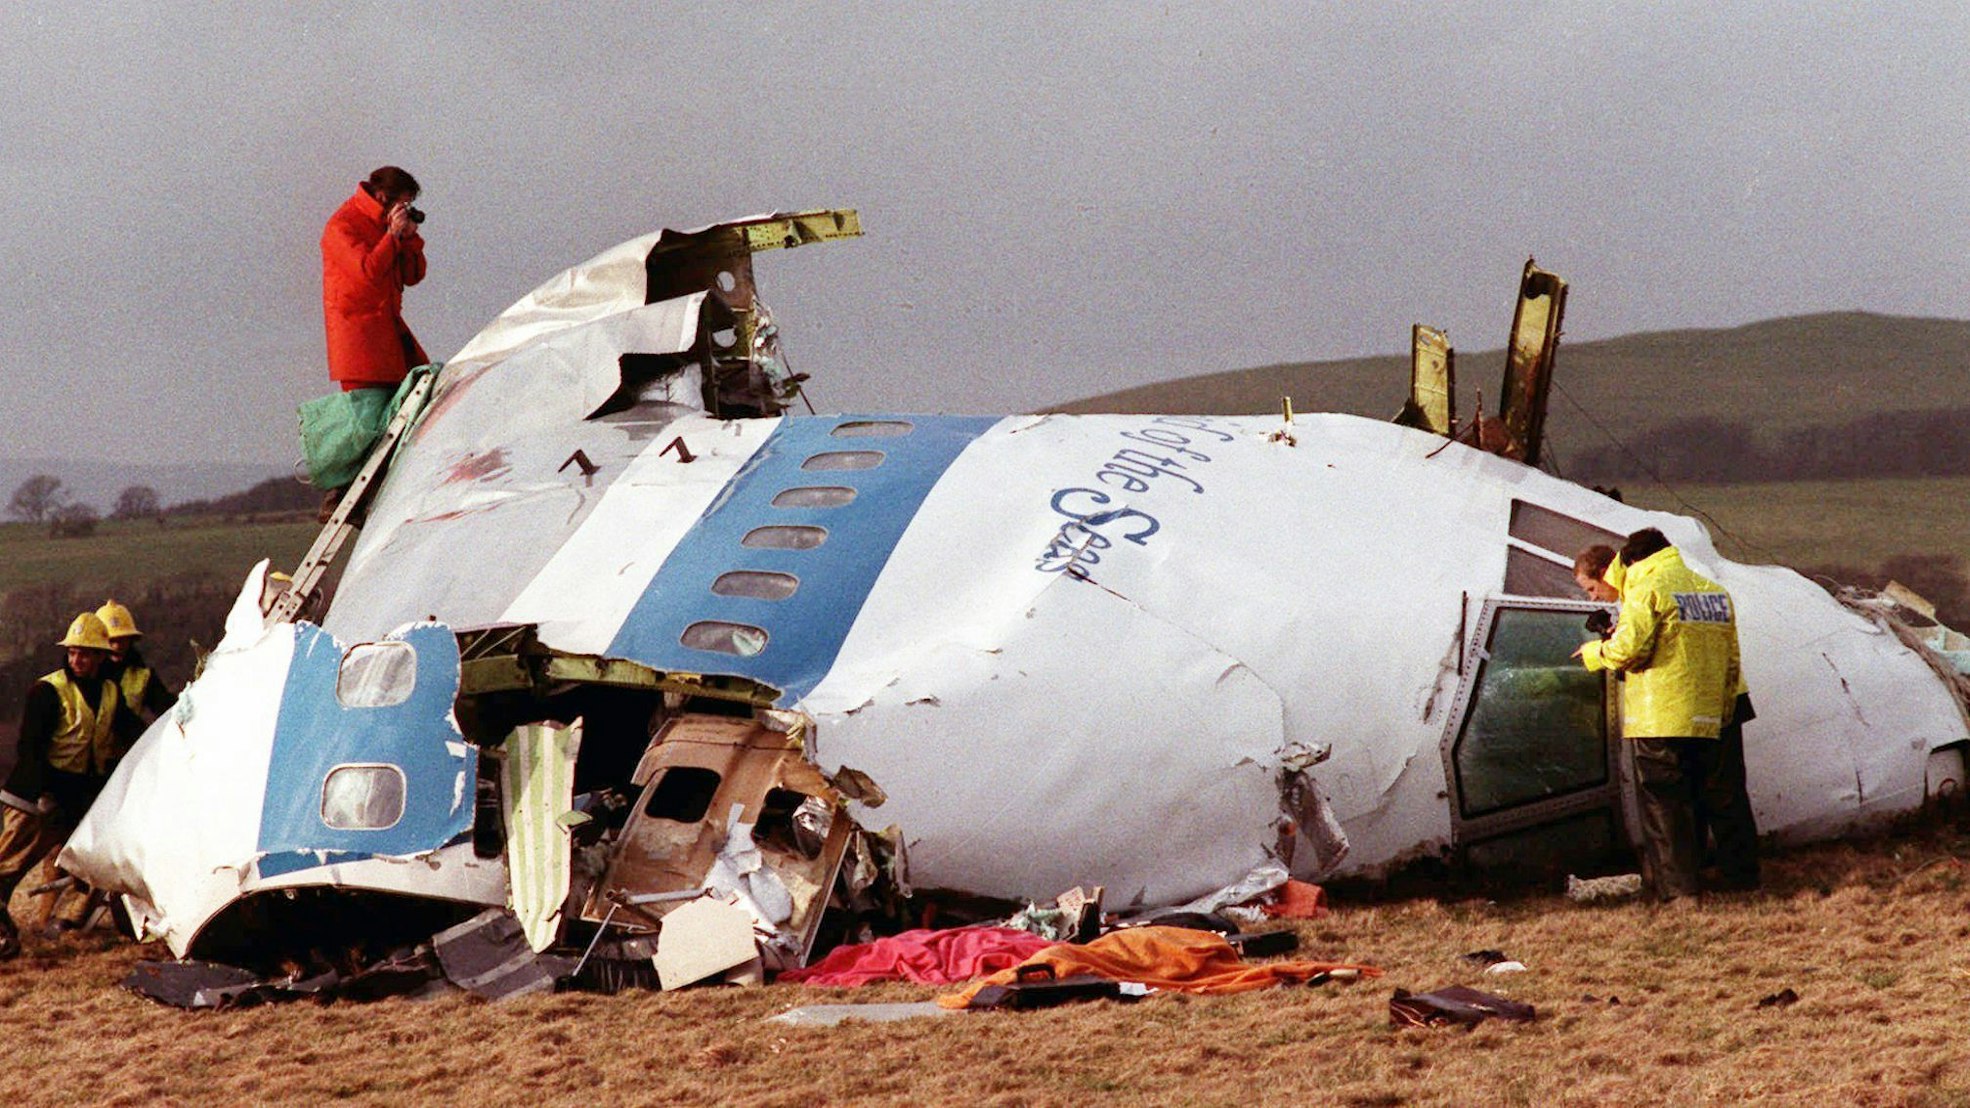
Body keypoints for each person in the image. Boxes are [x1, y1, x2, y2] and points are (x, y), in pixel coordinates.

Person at [1575, 528, 1759, 898]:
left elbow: (1630, 651)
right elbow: (1732, 657)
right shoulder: (1713, 592)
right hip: (1717, 710)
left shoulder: (1647, 589)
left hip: (1662, 713)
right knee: (1726, 798)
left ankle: (1679, 892)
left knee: (1667, 806)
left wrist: (1594, 654)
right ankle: (1742, 881)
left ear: (1627, 563)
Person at [0, 614, 134, 957]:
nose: (78, 660)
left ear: (101, 657)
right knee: (9, 866)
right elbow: (29, 748)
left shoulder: (110, 692)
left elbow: (131, 733)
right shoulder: (48, 690)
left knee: (91, 863)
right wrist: (43, 794)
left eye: (86, 654)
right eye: (74, 653)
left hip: (76, 797)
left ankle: (65, 923)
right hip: (35, 798)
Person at [318, 166, 429, 522]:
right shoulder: (342, 227)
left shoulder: (385, 227)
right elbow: (366, 274)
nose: (405, 210)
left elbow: (413, 276)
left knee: (405, 408)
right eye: (403, 203)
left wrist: (409, 238)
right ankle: (342, 497)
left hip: (388, 331)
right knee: (368, 422)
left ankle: (368, 495)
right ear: (383, 197)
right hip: (359, 339)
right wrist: (392, 237)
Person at [95, 599, 176, 730]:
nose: (117, 646)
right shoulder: (85, 674)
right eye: (112, 640)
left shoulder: (143, 677)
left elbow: (168, 710)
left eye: (122, 639)